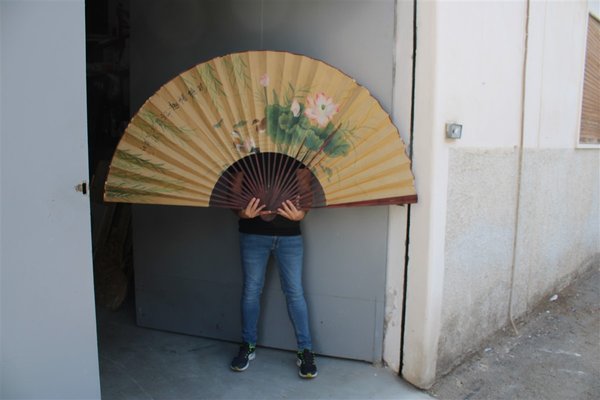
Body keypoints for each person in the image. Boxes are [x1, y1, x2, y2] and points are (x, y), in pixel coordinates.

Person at [230, 196, 318, 379]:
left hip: (290, 236)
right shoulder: (243, 165)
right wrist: (241, 213)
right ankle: (248, 345)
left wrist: (302, 213)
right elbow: (233, 194)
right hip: (252, 234)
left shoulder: (298, 165)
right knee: (251, 292)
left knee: (295, 293)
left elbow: (307, 192)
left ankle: (305, 351)